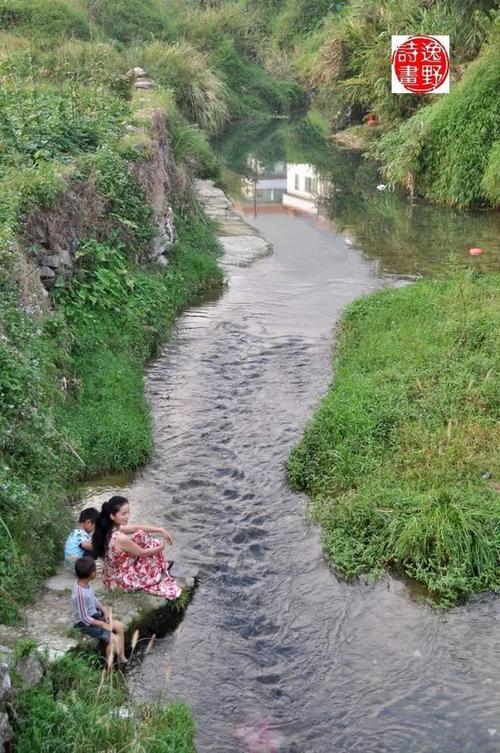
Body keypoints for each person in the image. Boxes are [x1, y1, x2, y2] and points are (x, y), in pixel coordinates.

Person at [92, 496, 181, 600]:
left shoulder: (108, 528)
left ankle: (160, 567)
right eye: (123, 514)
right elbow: (142, 553)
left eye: (128, 512)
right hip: (121, 581)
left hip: (110, 575)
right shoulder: (120, 537)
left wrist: (161, 530)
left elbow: (136, 527)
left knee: (140, 534)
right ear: (112, 516)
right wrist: (161, 547)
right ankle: (159, 569)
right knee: (154, 544)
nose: (127, 516)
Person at [72, 557, 127, 665]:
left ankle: (121, 657)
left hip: (95, 616)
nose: (97, 572)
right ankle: (109, 669)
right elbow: (84, 617)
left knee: (119, 626)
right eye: (95, 570)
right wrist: (102, 624)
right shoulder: (80, 594)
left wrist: (104, 610)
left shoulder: (86, 584)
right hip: (85, 624)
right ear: (92, 574)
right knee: (113, 640)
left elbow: (94, 599)